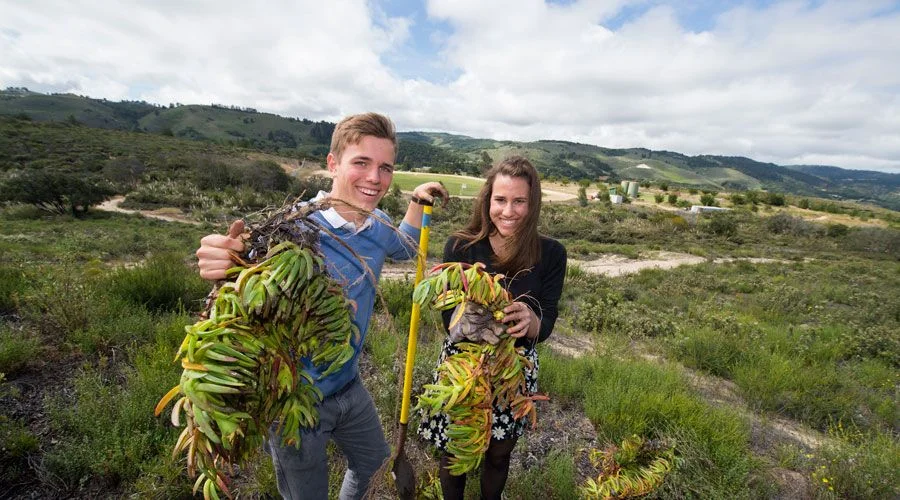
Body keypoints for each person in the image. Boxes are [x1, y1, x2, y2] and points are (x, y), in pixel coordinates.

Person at [195, 112, 448, 500]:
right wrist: (224, 263)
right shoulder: (292, 230)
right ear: (332, 164)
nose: (375, 178)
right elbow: (241, 270)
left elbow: (403, 244)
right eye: (361, 163)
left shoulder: (377, 223)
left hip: (349, 385)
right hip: (294, 399)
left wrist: (416, 201)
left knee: (375, 467)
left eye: (385, 168)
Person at [417, 155, 567, 500]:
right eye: (500, 200)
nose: (508, 211)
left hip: (513, 371)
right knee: (456, 448)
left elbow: (547, 323)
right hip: (464, 365)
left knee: (499, 453)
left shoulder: (552, 253)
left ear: (533, 204)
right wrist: (473, 311)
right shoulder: (461, 246)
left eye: (519, 201)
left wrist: (531, 322)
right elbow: (447, 320)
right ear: (488, 201)